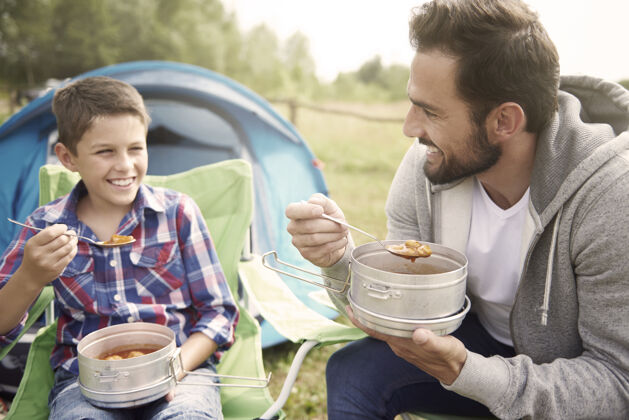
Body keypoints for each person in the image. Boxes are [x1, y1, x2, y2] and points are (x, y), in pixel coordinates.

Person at [285, 0, 629, 418]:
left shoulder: (609, 194)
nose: (410, 128)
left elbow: (617, 382)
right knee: (354, 372)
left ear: (504, 121)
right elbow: (396, 314)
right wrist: (337, 260)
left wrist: (471, 373)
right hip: (471, 344)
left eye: (430, 111)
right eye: (414, 103)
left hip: (565, 374)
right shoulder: (425, 166)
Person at [0, 76, 239, 419]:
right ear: (68, 158)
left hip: (180, 371)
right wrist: (29, 276)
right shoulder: (44, 226)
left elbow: (219, 313)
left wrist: (175, 368)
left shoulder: (178, 214)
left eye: (135, 148)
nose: (125, 165)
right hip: (86, 383)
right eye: (105, 151)